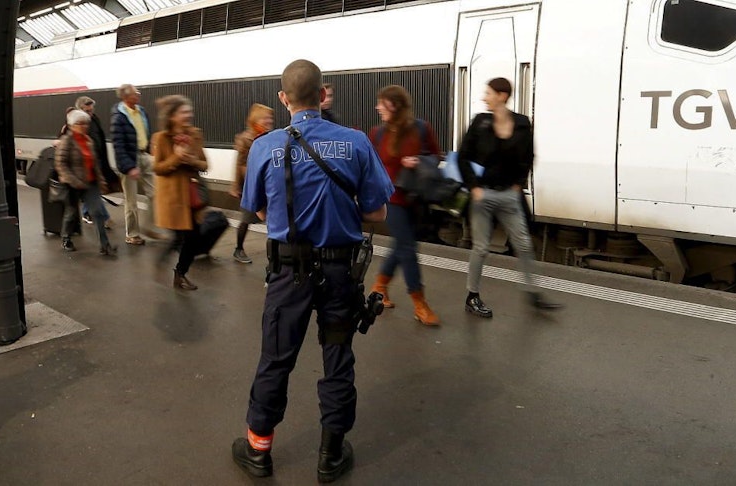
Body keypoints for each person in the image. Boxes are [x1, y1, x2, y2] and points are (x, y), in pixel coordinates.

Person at [232, 60, 392, 483]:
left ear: (283, 99)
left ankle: (258, 450)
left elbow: (258, 209)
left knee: (276, 358)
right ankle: (330, 456)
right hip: (340, 275)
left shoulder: (264, 147)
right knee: (337, 357)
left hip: (288, 275)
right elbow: (377, 211)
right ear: (323, 95)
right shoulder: (356, 142)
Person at [458, 77, 561, 318]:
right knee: (481, 248)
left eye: (489, 93)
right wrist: (474, 187)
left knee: (523, 244)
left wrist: (519, 184)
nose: (484, 98)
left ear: (502, 96)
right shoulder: (480, 122)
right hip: (483, 195)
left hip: (508, 195)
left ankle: (532, 293)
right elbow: (463, 156)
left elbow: (528, 156)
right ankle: (472, 296)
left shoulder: (522, 124)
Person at [367, 85, 440, 326]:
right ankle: (420, 303)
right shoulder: (378, 133)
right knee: (408, 248)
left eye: (382, 103)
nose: (378, 107)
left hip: (416, 197)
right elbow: (371, 165)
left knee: (402, 245)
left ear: (395, 105)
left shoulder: (421, 128)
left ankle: (380, 286)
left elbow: (436, 156)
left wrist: (418, 161)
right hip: (391, 199)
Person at [151, 95, 209, 290]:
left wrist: (192, 160)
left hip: (192, 196)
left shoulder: (195, 134)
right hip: (173, 198)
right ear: (172, 116)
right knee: (180, 237)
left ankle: (179, 272)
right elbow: (158, 168)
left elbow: (205, 164)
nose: (189, 115)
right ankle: (172, 268)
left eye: (189, 111)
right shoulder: (161, 138)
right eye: (183, 112)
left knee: (194, 238)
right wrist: (176, 157)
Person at [111, 84, 166, 245]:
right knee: (131, 201)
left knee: (156, 193)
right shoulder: (119, 117)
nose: (138, 95)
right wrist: (129, 167)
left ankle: (149, 227)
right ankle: (132, 234)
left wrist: (150, 153)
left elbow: (146, 134)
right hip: (130, 159)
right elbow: (118, 145)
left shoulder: (141, 111)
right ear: (126, 97)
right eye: (135, 93)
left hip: (144, 155)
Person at [56, 109, 115, 255]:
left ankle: (105, 245)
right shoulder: (67, 141)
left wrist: (101, 180)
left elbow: (94, 164)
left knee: (97, 213)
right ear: (72, 125)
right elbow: (61, 164)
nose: (84, 126)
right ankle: (66, 238)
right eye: (80, 124)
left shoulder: (88, 141)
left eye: (86, 123)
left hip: (90, 183)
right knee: (71, 213)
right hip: (73, 184)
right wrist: (73, 180)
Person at [230, 103, 274, 264]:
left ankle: (275, 250)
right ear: (256, 119)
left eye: (270, 118)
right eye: (265, 118)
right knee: (247, 218)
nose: (269, 121)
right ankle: (238, 248)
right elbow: (240, 165)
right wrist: (237, 186)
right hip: (250, 184)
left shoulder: (270, 136)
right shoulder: (246, 138)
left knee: (271, 217)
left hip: (266, 183)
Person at [75, 95, 117, 230]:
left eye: (91, 110)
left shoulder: (94, 119)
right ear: (80, 110)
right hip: (86, 164)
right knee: (93, 192)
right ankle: (104, 218)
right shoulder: (76, 123)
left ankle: (87, 213)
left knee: (93, 191)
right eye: (87, 111)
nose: (90, 113)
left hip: (97, 160)